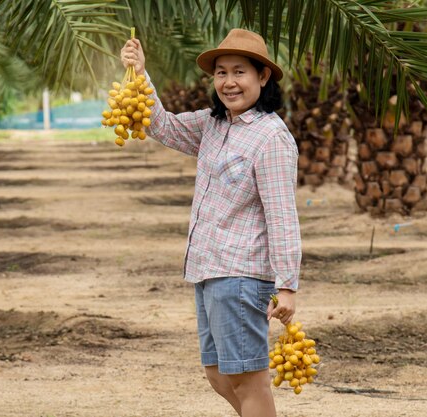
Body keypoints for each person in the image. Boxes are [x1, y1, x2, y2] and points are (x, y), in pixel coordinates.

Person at [120, 28, 301, 417]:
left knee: (248, 379)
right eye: (221, 73)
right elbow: (160, 125)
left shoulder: (271, 138)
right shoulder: (212, 125)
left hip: (241, 274)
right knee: (218, 374)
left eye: (240, 72)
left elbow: (282, 216)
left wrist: (287, 285)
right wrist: (139, 73)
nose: (229, 82)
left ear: (262, 76)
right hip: (207, 270)